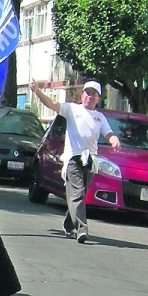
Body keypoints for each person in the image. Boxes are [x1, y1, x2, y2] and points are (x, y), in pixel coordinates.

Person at [29, 79, 120, 243]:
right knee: (76, 193)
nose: (89, 97)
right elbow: (52, 104)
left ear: (98, 98)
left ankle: (69, 222)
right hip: (73, 158)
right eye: (87, 93)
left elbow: (108, 133)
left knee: (80, 195)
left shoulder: (100, 118)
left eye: (93, 94)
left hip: (90, 160)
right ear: (82, 95)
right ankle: (81, 229)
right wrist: (37, 91)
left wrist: (114, 140)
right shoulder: (72, 109)